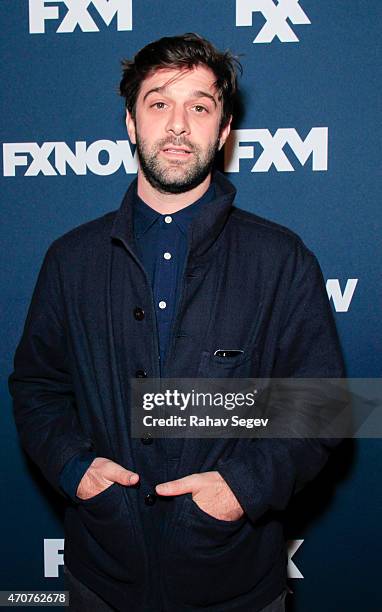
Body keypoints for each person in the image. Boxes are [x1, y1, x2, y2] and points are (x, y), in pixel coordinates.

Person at [8, 33, 345, 612]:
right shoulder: (72, 259)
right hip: (102, 579)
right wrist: (74, 466)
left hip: (237, 583)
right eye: (159, 103)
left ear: (225, 129)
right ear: (132, 125)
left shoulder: (283, 260)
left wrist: (242, 488)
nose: (179, 124)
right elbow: (37, 387)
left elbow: (323, 404)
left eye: (200, 105)